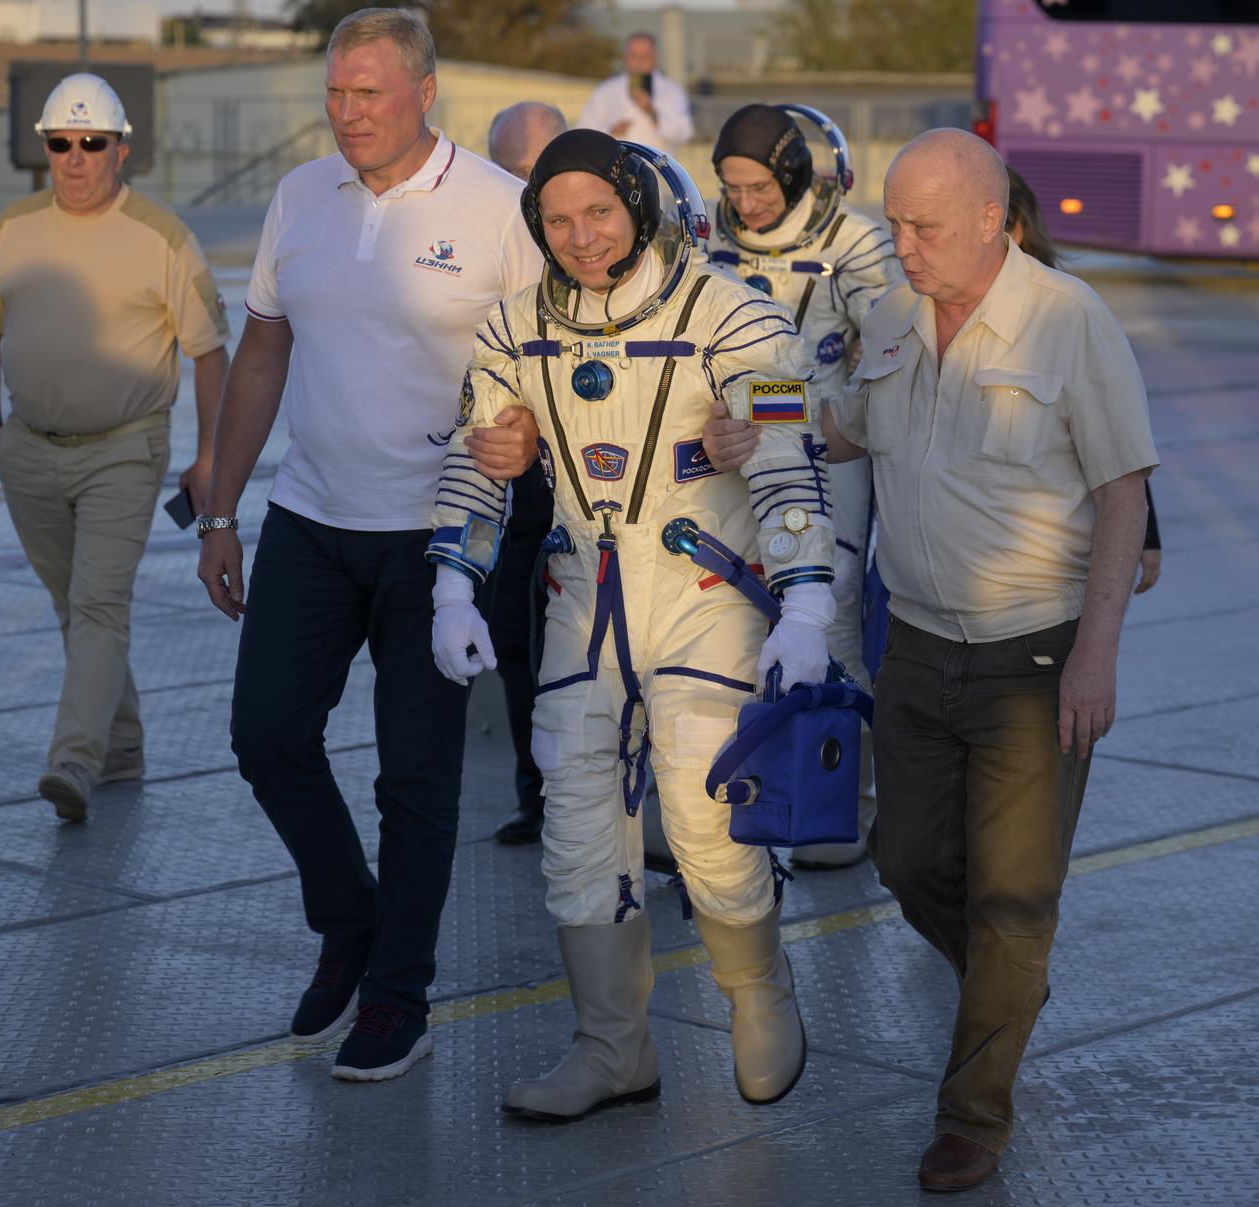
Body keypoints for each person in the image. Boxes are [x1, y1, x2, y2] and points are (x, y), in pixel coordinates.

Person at [708, 127, 1157, 1191]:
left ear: (991, 221)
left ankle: (972, 1114)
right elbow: (846, 422)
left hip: (1032, 654)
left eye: (924, 227)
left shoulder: (1067, 319)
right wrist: (755, 423)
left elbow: (1121, 492)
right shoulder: (896, 313)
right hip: (911, 645)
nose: (900, 246)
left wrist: (1095, 658)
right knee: (906, 861)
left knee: (1011, 896)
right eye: (894, 223)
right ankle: (1002, 994)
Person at [429, 129, 837, 1122]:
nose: (580, 236)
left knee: (703, 813)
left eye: (598, 213)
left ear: (639, 206)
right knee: (574, 819)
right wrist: (451, 584)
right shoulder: (509, 327)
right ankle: (611, 1046)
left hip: (705, 595)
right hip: (584, 593)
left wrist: (810, 598)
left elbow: (786, 459)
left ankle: (757, 991)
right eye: (558, 219)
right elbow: (477, 454)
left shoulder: (737, 316)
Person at [195, 8, 539, 1083]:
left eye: (368, 94)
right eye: (335, 93)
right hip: (310, 517)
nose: (346, 113)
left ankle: (397, 996)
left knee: (416, 780)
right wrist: (219, 507)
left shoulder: (498, 208)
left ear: (423, 89)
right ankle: (349, 920)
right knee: (266, 736)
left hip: (443, 537)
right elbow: (262, 350)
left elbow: (543, 367)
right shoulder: (300, 198)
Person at [0, 72, 230, 822]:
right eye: (61, 143)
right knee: (73, 603)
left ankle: (74, 761)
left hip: (126, 447)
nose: (76, 157)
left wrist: (210, 455)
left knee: (96, 601)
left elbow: (210, 353)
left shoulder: (162, 236)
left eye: (93, 143)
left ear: (122, 149)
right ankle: (121, 743)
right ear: (44, 151)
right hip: (27, 446)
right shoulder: (8, 229)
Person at [705, 102, 902, 870]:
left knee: (835, 614)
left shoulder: (853, 242)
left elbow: (891, 348)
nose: (746, 203)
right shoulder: (707, 236)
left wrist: (771, 407)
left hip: (825, 450)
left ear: (792, 172)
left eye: (758, 186)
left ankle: (847, 802)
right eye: (731, 185)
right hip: (728, 451)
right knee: (730, 620)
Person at [1005, 165, 1163, 594]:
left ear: (1016, 230)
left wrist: (1147, 538)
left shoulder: (1069, 314)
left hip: (1053, 571)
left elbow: (1121, 449)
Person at [483, 101, 568, 845]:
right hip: (524, 496)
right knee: (512, 634)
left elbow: (776, 390)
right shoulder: (485, 274)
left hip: (628, 508)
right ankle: (538, 792)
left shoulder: (647, 263)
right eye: (512, 175)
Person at [576, 32, 693, 156]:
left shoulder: (671, 92)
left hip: (657, 169)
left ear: (654, 58)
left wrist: (652, 112)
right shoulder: (606, 91)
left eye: (644, 57)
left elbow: (684, 133)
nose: (639, 62)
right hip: (615, 170)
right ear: (625, 58)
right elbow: (584, 131)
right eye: (634, 56)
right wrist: (610, 131)